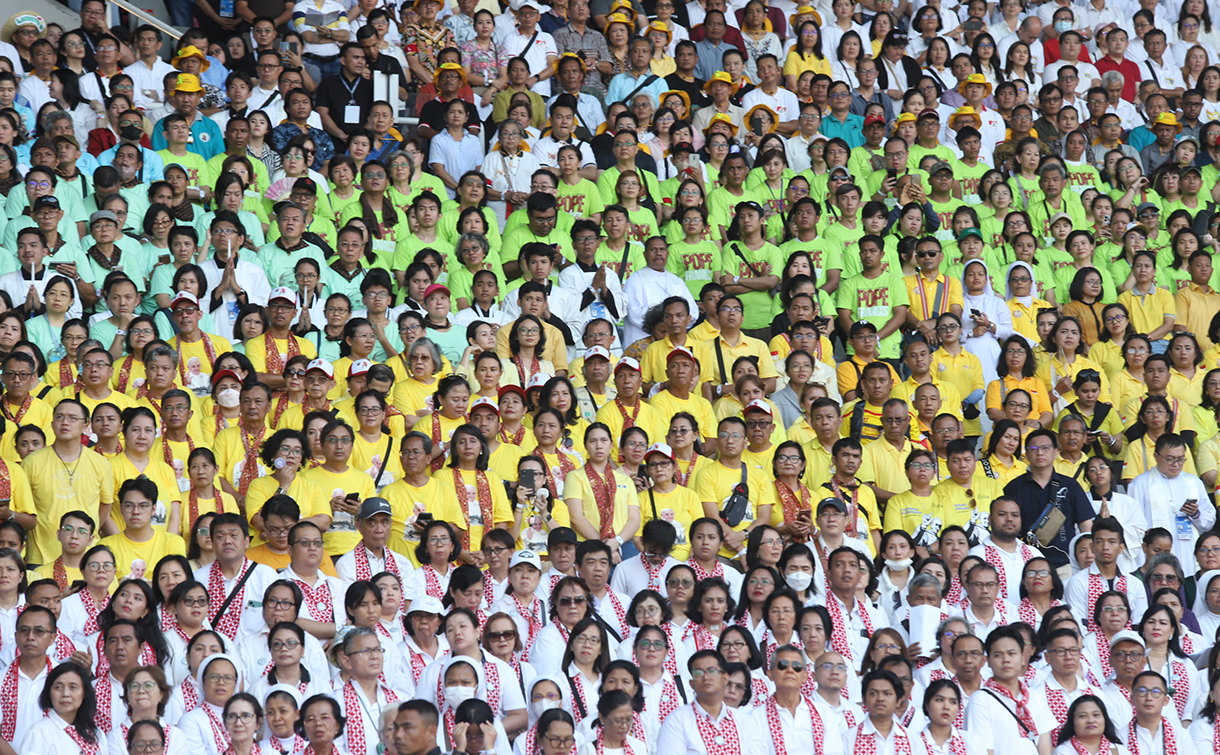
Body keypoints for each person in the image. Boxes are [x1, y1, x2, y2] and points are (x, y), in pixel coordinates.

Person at [1003, 429, 1096, 579]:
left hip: (1065, 564)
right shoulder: (1014, 488)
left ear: (1055, 453)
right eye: (1034, 449)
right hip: (1026, 563)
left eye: (1045, 448)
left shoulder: (1070, 485)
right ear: (1026, 455)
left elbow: (1085, 525)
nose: (1040, 453)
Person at [1127, 433, 1215, 571]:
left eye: (1181, 459)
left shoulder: (1194, 482)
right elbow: (1133, 527)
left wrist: (1196, 514)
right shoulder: (1140, 484)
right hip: (1155, 557)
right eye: (1170, 459)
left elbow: (1209, 520)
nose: (1176, 464)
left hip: (1188, 553)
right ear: (1156, 457)